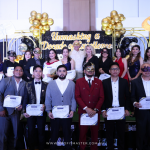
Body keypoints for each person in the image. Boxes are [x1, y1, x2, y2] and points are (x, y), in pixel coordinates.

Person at [45, 65, 76, 150]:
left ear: (66, 72)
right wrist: (48, 111)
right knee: (54, 134)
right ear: (57, 72)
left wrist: (73, 110)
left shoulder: (72, 84)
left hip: (67, 114)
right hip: (55, 114)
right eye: (60, 71)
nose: (62, 73)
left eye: (64, 71)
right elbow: (48, 98)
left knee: (67, 134)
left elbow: (73, 98)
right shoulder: (51, 84)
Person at [75, 62, 104, 150]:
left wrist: (95, 110)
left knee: (95, 133)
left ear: (94, 71)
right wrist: (86, 108)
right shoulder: (79, 81)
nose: (90, 71)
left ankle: (94, 148)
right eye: (88, 69)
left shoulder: (99, 81)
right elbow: (77, 96)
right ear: (84, 71)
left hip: (95, 112)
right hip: (83, 112)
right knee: (82, 133)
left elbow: (102, 97)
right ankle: (82, 148)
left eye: (92, 69)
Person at [102, 62, 130, 150]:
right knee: (109, 133)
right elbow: (102, 97)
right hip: (109, 111)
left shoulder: (124, 82)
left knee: (121, 133)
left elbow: (128, 97)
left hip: (121, 110)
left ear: (119, 71)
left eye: (116, 69)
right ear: (109, 71)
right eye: (113, 69)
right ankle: (110, 148)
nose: (115, 71)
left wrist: (127, 109)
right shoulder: (104, 82)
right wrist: (103, 110)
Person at [0, 65, 26, 150]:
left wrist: (22, 106)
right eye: (17, 70)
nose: (18, 71)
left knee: (16, 135)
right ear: (13, 71)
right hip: (4, 112)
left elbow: (25, 98)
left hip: (17, 113)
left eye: (21, 70)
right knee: (3, 135)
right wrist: (1, 109)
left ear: (23, 72)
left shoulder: (25, 83)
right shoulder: (5, 80)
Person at [22, 65, 47, 150]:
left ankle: (41, 148)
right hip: (30, 112)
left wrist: (45, 105)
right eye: (36, 71)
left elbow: (48, 99)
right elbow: (25, 98)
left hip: (41, 111)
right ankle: (31, 148)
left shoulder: (46, 85)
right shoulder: (27, 84)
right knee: (31, 131)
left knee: (41, 131)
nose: (38, 73)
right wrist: (24, 111)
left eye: (40, 71)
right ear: (33, 73)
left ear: (42, 73)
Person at [131, 63, 150, 150]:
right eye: (144, 69)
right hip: (141, 111)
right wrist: (135, 103)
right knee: (140, 133)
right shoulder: (135, 82)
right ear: (140, 70)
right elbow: (132, 96)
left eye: (148, 69)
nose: (147, 71)